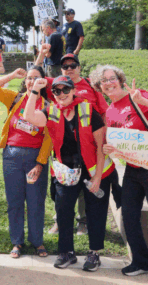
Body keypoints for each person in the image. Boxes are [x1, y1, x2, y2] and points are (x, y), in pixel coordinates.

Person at [24, 75, 115, 272]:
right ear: (53, 94)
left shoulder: (89, 111)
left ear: (74, 91)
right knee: (63, 211)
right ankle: (66, 252)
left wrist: (98, 176)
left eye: (66, 89)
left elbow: (101, 146)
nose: (62, 94)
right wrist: (34, 91)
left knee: (96, 212)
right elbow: (29, 116)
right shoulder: (51, 110)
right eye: (57, 91)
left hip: (92, 170)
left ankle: (94, 253)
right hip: (66, 172)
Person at [35, 52, 111, 235]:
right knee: (61, 185)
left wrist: (104, 135)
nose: (69, 69)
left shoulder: (91, 86)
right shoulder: (56, 83)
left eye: (73, 65)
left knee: (86, 184)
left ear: (79, 67)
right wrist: (41, 55)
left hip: (88, 144)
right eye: (65, 66)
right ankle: (59, 221)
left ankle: (83, 221)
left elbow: (105, 112)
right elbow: (34, 75)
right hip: (63, 144)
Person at [0, 66, 51, 258]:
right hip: (11, 157)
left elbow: (48, 138)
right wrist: (12, 75)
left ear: (44, 81)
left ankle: (37, 242)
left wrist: (40, 163)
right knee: (14, 201)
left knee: (35, 201)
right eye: (29, 78)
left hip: (34, 158)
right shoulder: (15, 98)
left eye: (37, 78)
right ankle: (17, 242)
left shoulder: (48, 106)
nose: (32, 81)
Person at [90, 65, 148, 276]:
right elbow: (120, 143)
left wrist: (143, 102)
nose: (108, 83)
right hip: (132, 170)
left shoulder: (138, 95)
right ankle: (141, 262)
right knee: (130, 216)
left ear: (120, 79)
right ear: (100, 87)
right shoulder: (111, 111)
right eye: (103, 81)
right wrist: (110, 149)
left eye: (111, 78)